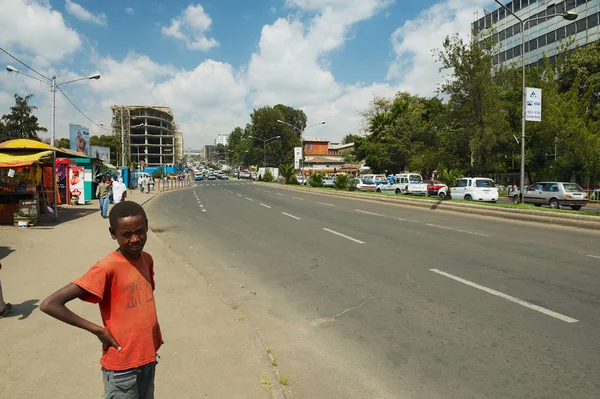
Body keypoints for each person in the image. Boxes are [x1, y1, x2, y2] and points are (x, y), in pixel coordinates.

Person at [40, 202, 163, 399]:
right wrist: (98, 330)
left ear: (147, 226)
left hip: (147, 358)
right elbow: (50, 304)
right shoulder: (106, 268)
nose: (135, 239)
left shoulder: (146, 259)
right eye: (126, 234)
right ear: (113, 233)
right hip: (123, 367)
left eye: (140, 231)